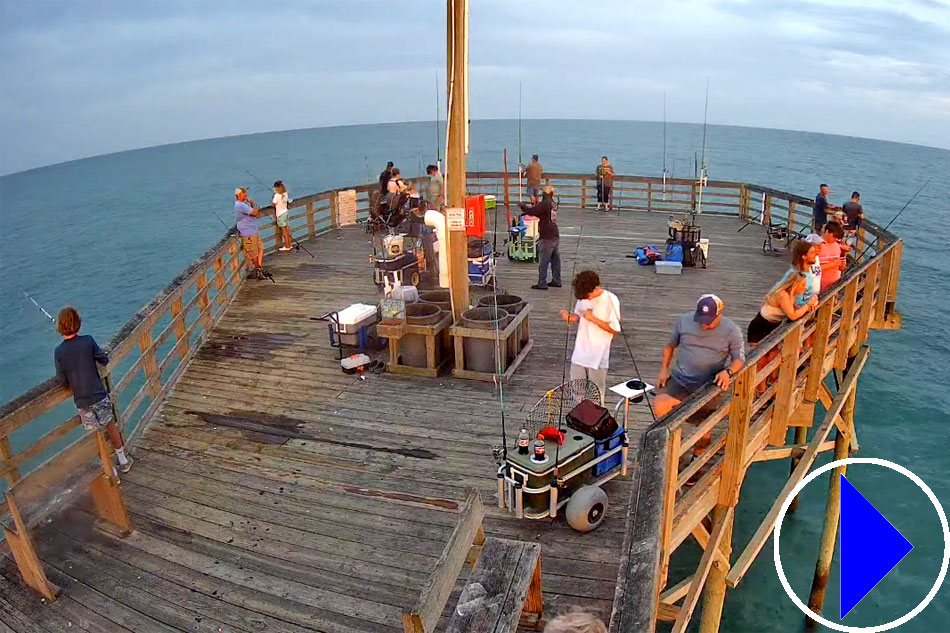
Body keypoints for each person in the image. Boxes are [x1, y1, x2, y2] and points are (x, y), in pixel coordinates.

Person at [54, 307, 132, 474]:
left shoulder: (59, 351)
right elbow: (103, 359)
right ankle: (123, 461)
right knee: (110, 425)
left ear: (60, 327)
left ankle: (110, 469)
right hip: (98, 394)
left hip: (82, 401)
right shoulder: (88, 341)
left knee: (95, 436)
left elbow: (62, 381)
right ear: (78, 324)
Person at [654, 294, 745, 425]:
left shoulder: (732, 330)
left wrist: (728, 372)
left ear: (719, 314)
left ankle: (698, 440)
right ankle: (672, 441)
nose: (704, 325)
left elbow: (739, 359)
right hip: (680, 379)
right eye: (701, 320)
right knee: (660, 404)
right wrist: (664, 369)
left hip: (709, 383)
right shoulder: (684, 321)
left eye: (708, 321)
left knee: (701, 428)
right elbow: (669, 346)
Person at [559, 271, 621, 404]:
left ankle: (597, 421)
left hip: (598, 357)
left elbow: (614, 329)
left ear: (594, 288)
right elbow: (579, 316)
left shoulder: (611, 300)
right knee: (576, 391)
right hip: (580, 353)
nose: (585, 299)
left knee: (596, 394)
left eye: (587, 296)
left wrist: (593, 318)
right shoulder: (582, 297)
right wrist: (569, 317)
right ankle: (579, 419)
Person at [747, 272, 818, 347]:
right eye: (803, 285)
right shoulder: (783, 296)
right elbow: (792, 316)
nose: (806, 287)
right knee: (762, 355)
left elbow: (795, 311)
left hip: (773, 326)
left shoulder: (791, 295)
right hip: (761, 326)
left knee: (773, 354)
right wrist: (807, 306)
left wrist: (810, 307)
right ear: (794, 285)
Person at [521, 185, 561, 290]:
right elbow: (543, 214)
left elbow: (532, 211)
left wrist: (523, 206)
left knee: (544, 260)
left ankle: (542, 283)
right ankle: (557, 280)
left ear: (545, 193)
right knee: (555, 259)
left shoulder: (545, 203)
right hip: (554, 233)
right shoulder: (553, 203)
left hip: (547, 234)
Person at [234, 187, 264, 278]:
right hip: (248, 233)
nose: (246, 195)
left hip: (253, 231)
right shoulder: (240, 205)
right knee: (253, 254)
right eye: (244, 194)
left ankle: (260, 269)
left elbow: (254, 211)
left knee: (261, 248)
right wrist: (255, 207)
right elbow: (255, 212)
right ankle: (259, 270)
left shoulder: (243, 204)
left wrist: (251, 202)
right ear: (239, 195)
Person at [818, 221, 846, 292]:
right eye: (834, 236)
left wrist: (842, 265)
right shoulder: (817, 246)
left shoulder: (836, 245)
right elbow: (811, 269)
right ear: (827, 232)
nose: (836, 239)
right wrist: (832, 264)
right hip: (820, 282)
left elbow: (839, 267)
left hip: (835, 282)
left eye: (838, 238)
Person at [272, 180, 292, 252]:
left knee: (284, 230)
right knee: (287, 229)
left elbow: (273, 204)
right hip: (285, 212)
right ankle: (289, 244)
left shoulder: (277, 196)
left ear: (276, 188)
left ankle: (287, 246)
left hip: (280, 214)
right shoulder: (285, 194)